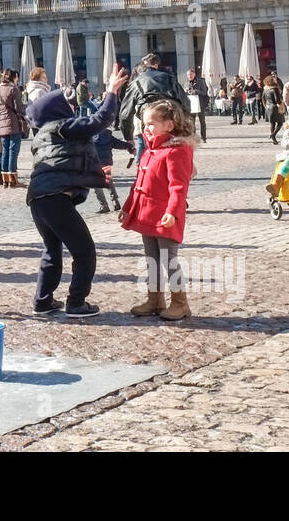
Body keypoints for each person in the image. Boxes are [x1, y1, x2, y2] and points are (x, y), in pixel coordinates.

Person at [25, 63, 130, 318]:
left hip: (38, 200)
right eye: (67, 104)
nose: (72, 108)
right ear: (56, 109)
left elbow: (68, 162)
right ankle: (76, 303)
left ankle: (43, 301)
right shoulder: (63, 126)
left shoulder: (44, 135)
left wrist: (94, 175)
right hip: (54, 199)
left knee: (52, 250)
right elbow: (100, 121)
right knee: (84, 251)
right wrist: (112, 92)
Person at [120, 98, 197, 321]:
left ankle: (180, 303)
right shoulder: (149, 150)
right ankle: (155, 300)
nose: (146, 128)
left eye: (151, 123)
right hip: (147, 214)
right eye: (145, 124)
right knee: (151, 259)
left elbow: (179, 187)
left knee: (168, 260)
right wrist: (127, 208)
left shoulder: (177, 151)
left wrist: (172, 212)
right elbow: (138, 184)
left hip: (165, 216)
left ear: (169, 125)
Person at [118, 53, 188, 164]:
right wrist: (185, 126)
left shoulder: (136, 82)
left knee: (151, 149)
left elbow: (125, 113)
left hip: (149, 118)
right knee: (172, 149)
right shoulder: (169, 78)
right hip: (170, 116)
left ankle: (152, 170)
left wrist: (128, 137)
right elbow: (186, 103)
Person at [0, 68, 25, 188]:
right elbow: (19, 108)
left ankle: (5, 180)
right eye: (16, 77)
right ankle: (13, 180)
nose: (17, 80)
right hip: (13, 124)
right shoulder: (14, 90)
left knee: (5, 151)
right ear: (13, 77)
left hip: (2, 125)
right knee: (13, 151)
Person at [184, 68, 209, 142]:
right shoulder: (186, 83)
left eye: (191, 74)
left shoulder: (200, 81)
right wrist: (185, 91)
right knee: (192, 121)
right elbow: (184, 93)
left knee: (202, 121)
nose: (189, 76)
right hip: (191, 104)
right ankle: (193, 137)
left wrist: (195, 91)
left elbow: (204, 92)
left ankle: (203, 137)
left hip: (200, 103)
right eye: (188, 75)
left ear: (194, 74)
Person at [262, 75, 284, 143]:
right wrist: (281, 105)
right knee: (280, 123)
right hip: (275, 107)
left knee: (272, 124)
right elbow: (277, 100)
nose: (275, 80)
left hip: (268, 107)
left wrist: (265, 105)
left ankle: (274, 140)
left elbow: (263, 98)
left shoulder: (265, 89)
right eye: (273, 79)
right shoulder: (275, 89)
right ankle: (273, 135)